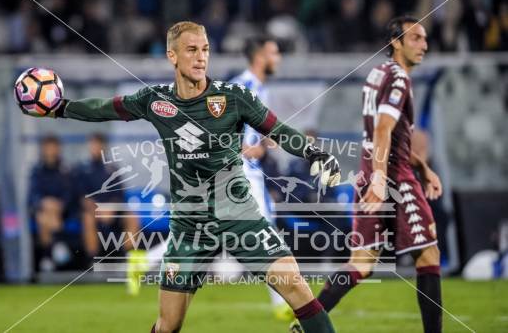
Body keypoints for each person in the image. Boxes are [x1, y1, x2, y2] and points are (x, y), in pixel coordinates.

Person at [23, 21, 341, 333]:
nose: (201, 57)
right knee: (169, 324)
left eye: (205, 49)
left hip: (239, 216)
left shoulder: (234, 97)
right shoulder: (156, 101)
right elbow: (103, 108)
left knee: (296, 285)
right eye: (191, 50)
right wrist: (59, 107)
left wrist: (315, 154)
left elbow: (279, 129)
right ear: (172, 56)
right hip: (189, 228)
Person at [316, 16, 444, 333]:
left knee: (361, 263)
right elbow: (383, 130)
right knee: (429, 254)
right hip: (393, 177)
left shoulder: (376, 73)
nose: (423, 45)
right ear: (395, 43)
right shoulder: (399, 78)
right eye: (414, 38)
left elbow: (386, 135)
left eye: (425, 38)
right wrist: (381, 177)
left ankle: (306, 324)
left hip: (370, 171)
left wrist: (422, 166)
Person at [229, 35, 293, 321]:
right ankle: (282, 302)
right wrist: (244, 149)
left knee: (206, 230)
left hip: (241, 171)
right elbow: (218, 126)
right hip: (242, 171)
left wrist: (265, 142)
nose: (277, 58)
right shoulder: (243, 86)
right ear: (260, 57)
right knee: (268, 232)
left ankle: (147, 259)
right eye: (274, 53)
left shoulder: (259, 88)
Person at [73, 133, 142, 294]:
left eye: (98, 145)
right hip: (91, 212)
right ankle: (93, 260)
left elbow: (119, 194)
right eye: (93, 145)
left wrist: (112, 207)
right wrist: (96, 208)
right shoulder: (81, 170)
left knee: (132, 217)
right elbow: (80, 196)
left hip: (112, 212)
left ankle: (129, 260)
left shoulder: (113, 169)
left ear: (104, 147)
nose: (95, 148)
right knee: (88, 218)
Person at [27, 135, 73, 271]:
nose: (51, 151)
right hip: (43, 210)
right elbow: (33, 195)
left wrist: (60, 203)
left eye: (54, 147)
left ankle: (47, 257)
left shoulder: (65, 170)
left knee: (48, 214)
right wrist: (43, 202)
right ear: (43, 149)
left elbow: (70, 193)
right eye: (48, 147)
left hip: (63, 211)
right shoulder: (37, 171)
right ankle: (58, 245)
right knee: (44, 214)